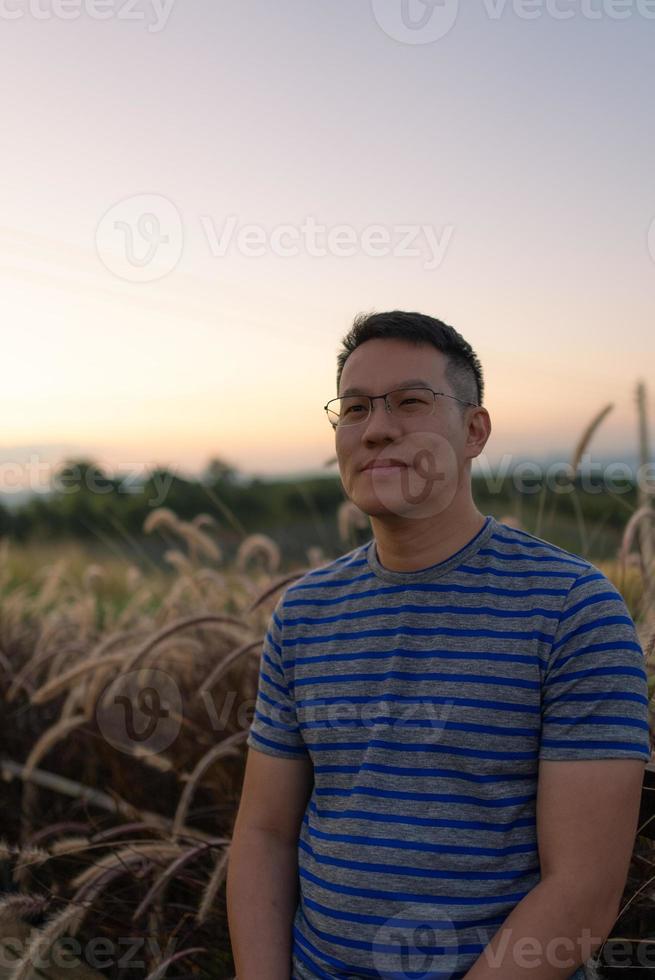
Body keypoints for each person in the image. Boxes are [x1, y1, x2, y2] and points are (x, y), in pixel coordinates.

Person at [226, 310, 651, 980]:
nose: (377, 427)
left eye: (411, 402)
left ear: (473, 430)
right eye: (355, 408)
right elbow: (263, 834)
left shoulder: (572, 608)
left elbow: (582, 889)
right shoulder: (303, 613)